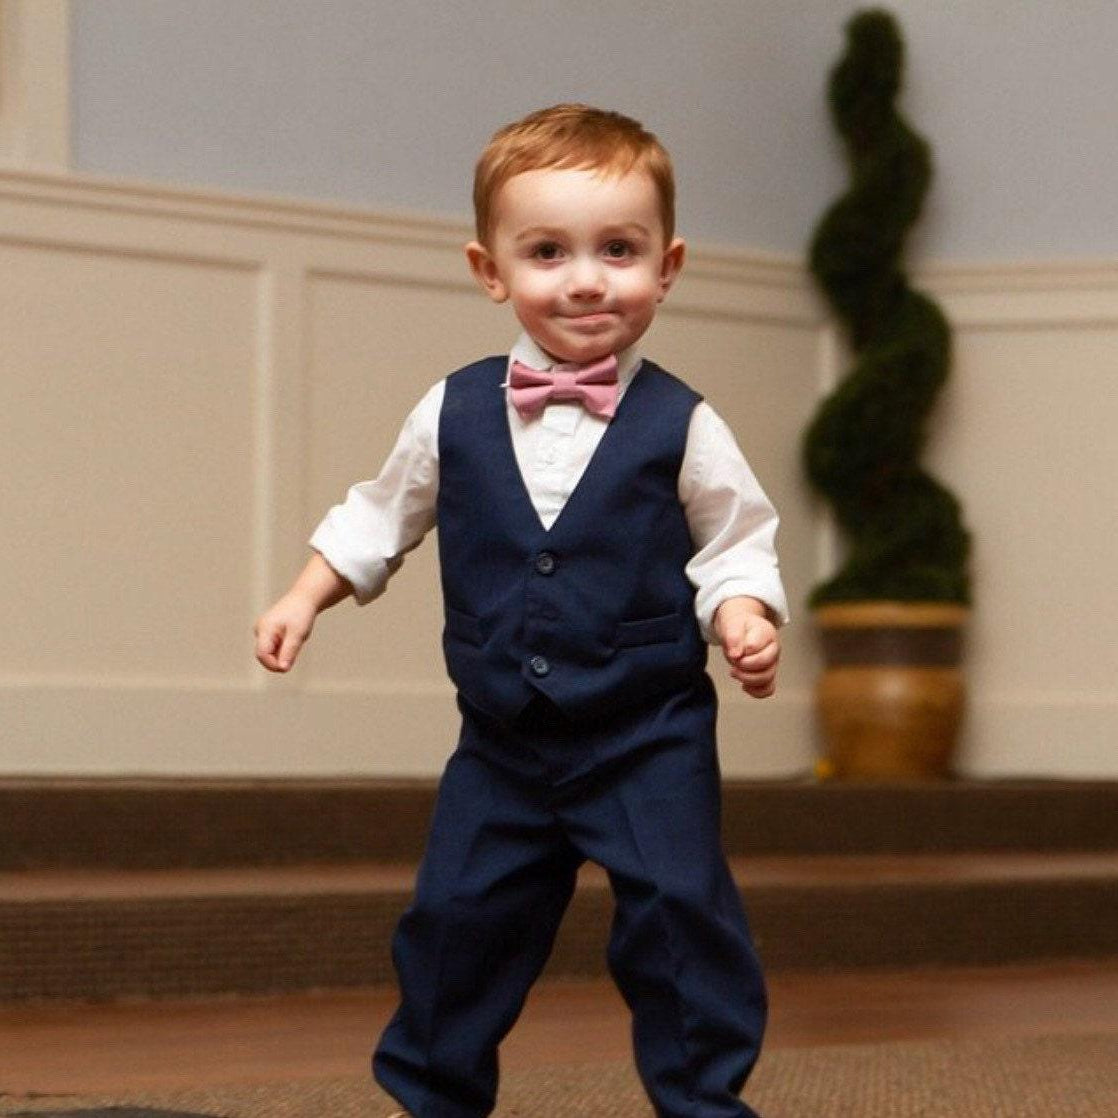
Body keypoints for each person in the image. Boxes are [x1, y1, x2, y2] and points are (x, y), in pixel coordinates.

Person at [255, 103, 788, 1118]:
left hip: (647, 733)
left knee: (681, 916)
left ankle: (703, 1100)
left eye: (618, 250)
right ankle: (434, 1094)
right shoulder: (450, 409)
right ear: (489, 269)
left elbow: (735, 540)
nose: (585, 279)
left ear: (667, 265)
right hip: (503, 739)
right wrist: (305, 593)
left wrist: (742, 616)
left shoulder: (684, 422)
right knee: (457, 918)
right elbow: (381, 515)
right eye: (548, 252)